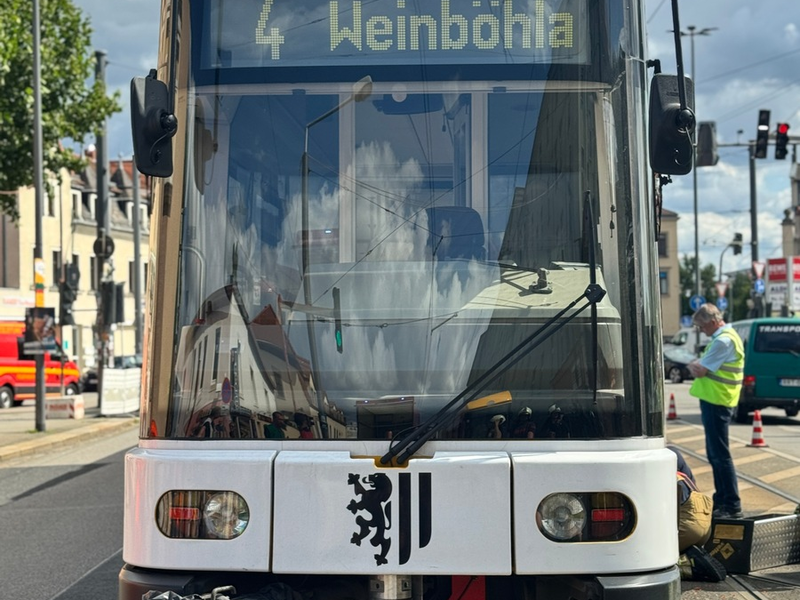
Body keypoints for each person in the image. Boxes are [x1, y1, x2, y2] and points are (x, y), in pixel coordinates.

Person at [687, 303, 745, 519]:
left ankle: (731, 504)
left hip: (717, 401)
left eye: (702, 327)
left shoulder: (723, 340)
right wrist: (697, 365)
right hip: (716, 399)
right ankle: (723, 500)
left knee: (720, 454)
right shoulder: (724, 337)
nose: (702, 331)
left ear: (712, 322)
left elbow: (701, 370)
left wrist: (695, 366)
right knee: (716, 454)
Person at [668, 446, 726, 582]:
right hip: (705, 531)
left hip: (686, 530)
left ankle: (684, 567)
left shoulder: (660, 475)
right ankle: (692, 555)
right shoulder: (683, 475)